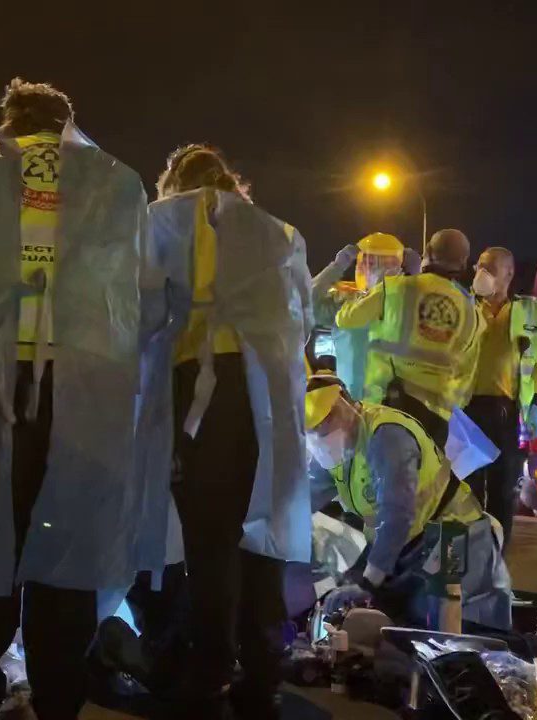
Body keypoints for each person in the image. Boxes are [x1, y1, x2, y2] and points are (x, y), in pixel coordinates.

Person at [0, 78, 148, 720]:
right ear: (69, 123)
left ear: (9, 122)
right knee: (65, 540)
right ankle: (57, 697)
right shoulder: (122, 182)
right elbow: (136, 284)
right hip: (84, 393)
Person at [140, 143, 312, 719]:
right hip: (269, 397)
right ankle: (262, 673)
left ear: (174, 182)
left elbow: (140, 312)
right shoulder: (278, 232)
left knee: (210, 543)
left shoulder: (165, 220)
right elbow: (303, 319)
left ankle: (209, 672)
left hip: (202, 391)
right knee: (262, 537)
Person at [305, 374, 512, 631]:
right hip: (408, 545)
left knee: (448, 635)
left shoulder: (386, 436)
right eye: (314, 431)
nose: (323, 434)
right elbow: (304, 500)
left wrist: (368, 582)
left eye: (329, 420)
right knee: (384, 624)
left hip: (454, 535)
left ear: (349, 404)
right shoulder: (335, 449)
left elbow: (397, 515)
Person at [336, 228, 481, 447]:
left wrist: (361, 294)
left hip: (387, 408)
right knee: (428, 479)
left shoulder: (395, 288)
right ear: (463, 262)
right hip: (437, 420)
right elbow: (467, 374)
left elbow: (346, 319)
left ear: (428, 252)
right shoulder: (472, 312)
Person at [465, 247, 537, 546]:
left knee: (503, 493)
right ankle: (468, 564)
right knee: (466, 492)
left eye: (489, 268)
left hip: (509, 414)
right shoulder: (464, 307)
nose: (481, 273)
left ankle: (496, 561)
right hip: (466, 411)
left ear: (509, 274)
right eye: (479, 266)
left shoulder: (529, 311)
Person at [311, 233, 419, 399]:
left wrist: (417, 277)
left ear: (398, 267)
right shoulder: (347, 302)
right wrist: (338, 266)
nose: (369, 268)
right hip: (352, 406)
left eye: (385, 262)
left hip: (393, 405)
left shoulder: (409, 302)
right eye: (367, 262)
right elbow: (308, 302)